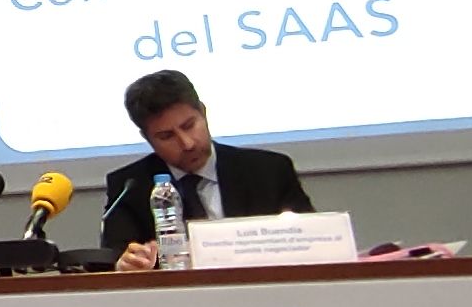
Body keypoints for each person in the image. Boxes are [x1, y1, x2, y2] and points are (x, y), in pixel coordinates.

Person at [104, 71, 317, 268]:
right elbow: (115, 258)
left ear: (203, 113)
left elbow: (312, 242)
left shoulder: (270, 171)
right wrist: (126, 264)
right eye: (167, 136)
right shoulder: (129, 187)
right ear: (147, 138)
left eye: (189, 126)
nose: (187, 143)